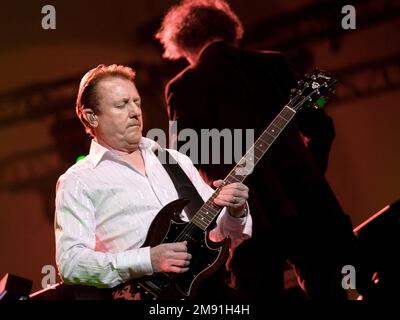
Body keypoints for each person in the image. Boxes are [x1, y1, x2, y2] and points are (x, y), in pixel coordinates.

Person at [156, 0, 355, 300]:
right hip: (309, 210)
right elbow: (322, 128)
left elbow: (184, 159)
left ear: (183, 44)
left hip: (248, 221)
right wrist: (306, 178)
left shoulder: (184, 85)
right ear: (230, 30)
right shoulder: (273, 63)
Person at [54, 64, 252, 299]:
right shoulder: (79, 180)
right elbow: (71, 264)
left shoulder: (175, 160)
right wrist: (147, 260)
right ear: (91, 116)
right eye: (121, 105)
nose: (135, 111)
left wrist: (236, 212)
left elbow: (219, 238)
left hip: (208, 292)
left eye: (136, 102)